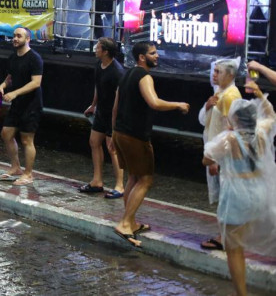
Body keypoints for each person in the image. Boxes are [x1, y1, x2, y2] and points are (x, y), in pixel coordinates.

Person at [111, 41, 189, 247]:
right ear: (142, 57)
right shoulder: (144, 76)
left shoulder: (126, 74)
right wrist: (178, 104)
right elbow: (154, 102)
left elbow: (115, 106)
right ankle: (126, 223)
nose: (157, 56)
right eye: (153, 53)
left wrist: (113, 134)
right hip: (135, 135)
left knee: (133, 177)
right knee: (145, 180)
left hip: (121, 132)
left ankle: (131, 221)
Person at [203, 80, 276, 296]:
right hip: (259, 194)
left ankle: (241, 294)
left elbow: (207, 160)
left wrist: (218, 157)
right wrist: (260, 94)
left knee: (233, 249)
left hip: (237, 196)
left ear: (234, 119)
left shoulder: (228, 139)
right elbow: (271, 115)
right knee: (241, 238)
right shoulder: (261, 133)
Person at [197, 59, 241, 251]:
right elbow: (206, 122)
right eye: (214, 71)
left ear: (230, 75)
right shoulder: (220, 93)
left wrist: (215, 159)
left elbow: (226, 130)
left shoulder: (230, 96)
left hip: (224, 157)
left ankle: (225, 238)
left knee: (227, 199)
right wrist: (207, 106)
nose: (214, 75)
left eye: (218, 72)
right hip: (219, 154)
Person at [0, 27, 43, 186]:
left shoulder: (34, 58)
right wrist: (1, 86)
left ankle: (28, 174)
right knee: (6, 133)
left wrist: (15, 93)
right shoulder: (13, 57)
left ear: (27, 39)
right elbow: (10, 78)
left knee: (27, 139)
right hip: (17, 104)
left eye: (19, 36)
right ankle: (15, 167)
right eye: (14, 36)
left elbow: (36, 82)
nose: (15, 38)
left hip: (31, 104)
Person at [80, 37, 125, 198]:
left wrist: (114, 124)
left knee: (112, 149)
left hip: (114, 114)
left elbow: (120, 99)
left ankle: (120, 185)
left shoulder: (117, 72)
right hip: (101, 112)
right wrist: (93, 105)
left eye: (98, 47)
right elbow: (98, 87)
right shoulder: (99, 66)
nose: (95, 50)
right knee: (94, 142)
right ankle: (97, 180)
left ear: (105, 51)